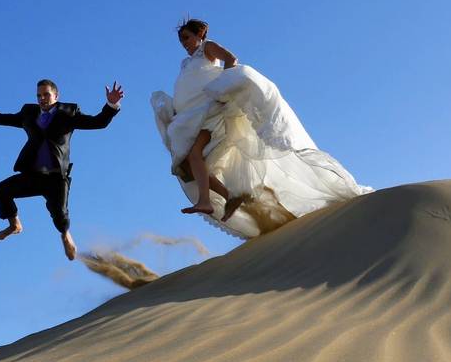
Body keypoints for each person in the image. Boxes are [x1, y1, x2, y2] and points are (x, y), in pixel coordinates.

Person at [151, 19, 371, 239]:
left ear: (199, 35)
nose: (184, 44)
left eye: (187, 38)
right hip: (192, 118)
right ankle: (230, 196)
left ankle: (206, 201)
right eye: (181, 40)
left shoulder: (206, 48)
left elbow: (231, 59)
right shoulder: (185, 63)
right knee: (188, 167)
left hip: (210, 114)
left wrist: (224, 91)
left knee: (193, 155)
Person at [0, 79, 124, 260]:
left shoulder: (69, 112)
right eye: (39, 95)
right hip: (32, 175)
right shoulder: (28, 113)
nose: (42, 98)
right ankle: (15, 225)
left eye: (46, 95)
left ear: (56, 96)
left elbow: (98, 122)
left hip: (56, 178)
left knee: (60, 216)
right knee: (1, 190)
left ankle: (65, 235)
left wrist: (111, 104)